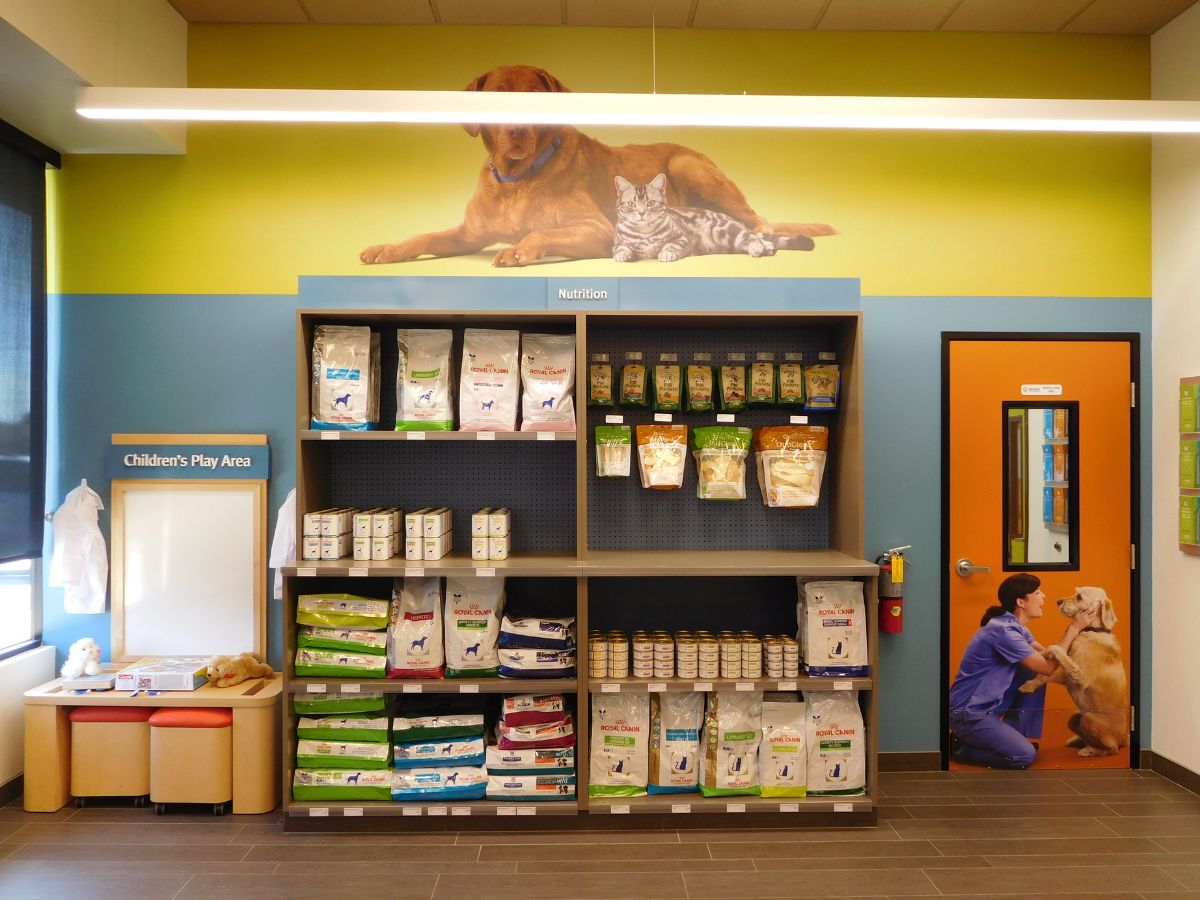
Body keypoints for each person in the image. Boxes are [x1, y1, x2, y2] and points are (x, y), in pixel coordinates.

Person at [949, 573, 1090, 769]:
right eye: (1037, 592)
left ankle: (1014, 735)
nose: (1044, 597)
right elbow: (1048, 667)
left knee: (1033, 675)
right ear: (1020, 602)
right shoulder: (1003, 632)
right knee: (1023, 757)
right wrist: (1074, 628)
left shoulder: (1015, 627)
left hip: (989, 704)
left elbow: (1046, 656)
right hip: (970, 713)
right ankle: (962, 748)